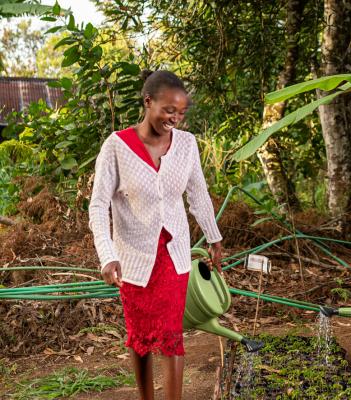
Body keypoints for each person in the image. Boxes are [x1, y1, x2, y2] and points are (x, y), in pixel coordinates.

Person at [89, 70, 223, 400]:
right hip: (133, 258)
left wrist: (215, 238)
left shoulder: (187, 145)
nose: (175, 118)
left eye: (181, 112)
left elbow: (199, 195)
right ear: (148, 102)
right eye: (168, 110)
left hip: (174, 255)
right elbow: (98, 205)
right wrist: (108, 255)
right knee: (140, 336)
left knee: (170, 334)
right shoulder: (116, 146)